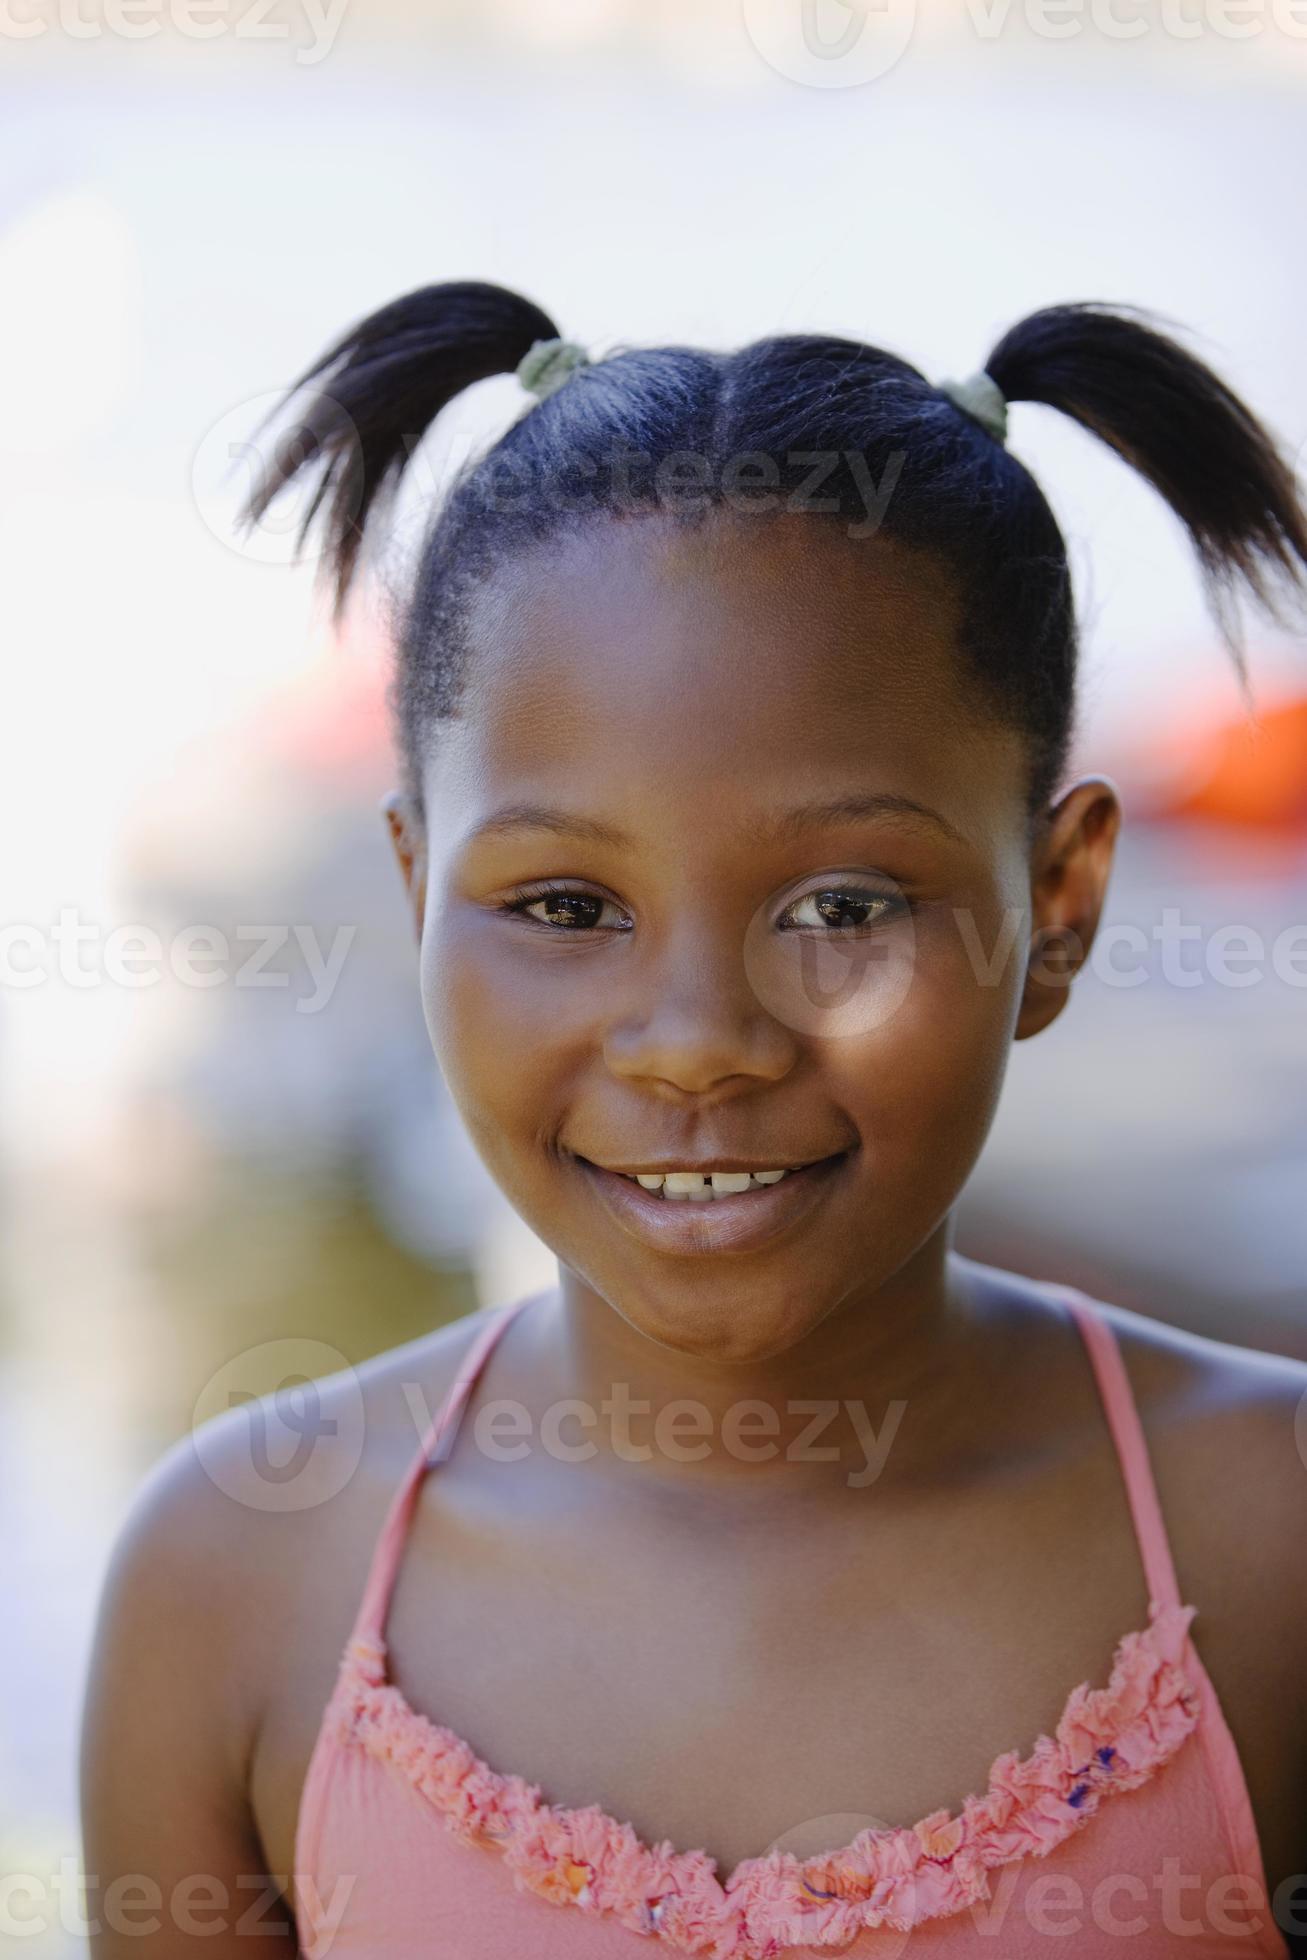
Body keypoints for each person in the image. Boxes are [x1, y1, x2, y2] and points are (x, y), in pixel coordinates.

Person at [80, 282, 1307, 1957]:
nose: (699, 1047)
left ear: (1063, 906)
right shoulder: (242, 1578)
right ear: (417, 890)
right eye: (568, 906)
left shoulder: (1272, 1536)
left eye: (843, 903)